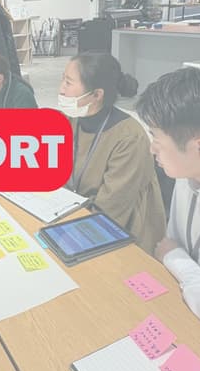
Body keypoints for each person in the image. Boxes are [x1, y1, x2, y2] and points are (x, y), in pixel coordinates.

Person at [137, 67, 200, 327]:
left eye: (157, 138)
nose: (152, 148)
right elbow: (171, 244)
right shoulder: (187, 173)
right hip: (179, 309)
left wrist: (178, 262)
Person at [58, 52, 165, 254]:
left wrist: (64, 231)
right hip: (74, 215)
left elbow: (111, 210)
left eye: (68, 83)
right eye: (63, 80)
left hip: (118, 231)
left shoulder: (129, 137)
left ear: (96, 95)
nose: (61, 89)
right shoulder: (70, 120)